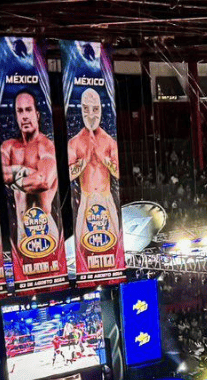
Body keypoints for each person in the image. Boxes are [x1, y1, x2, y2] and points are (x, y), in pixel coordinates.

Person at [1, 90, 61, 258]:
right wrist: (25, 171)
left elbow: (42, 181)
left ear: (37, 114)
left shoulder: (46, 146)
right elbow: (3, 175)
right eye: (20, 111)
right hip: (20, 231)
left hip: (45, 230)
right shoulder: (9, 147)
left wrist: (14, 174)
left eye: (28, 110)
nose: (25, 116)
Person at [67, 88, 120, 259]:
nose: (91, 114)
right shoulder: (74, 142)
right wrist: (84, 161)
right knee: (81, 249)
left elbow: (118, 174)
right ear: (82, 110)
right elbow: (70, 175)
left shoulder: (109, 141)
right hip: (87, 198)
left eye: (95, 109)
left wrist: (104, 159)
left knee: (116, 245)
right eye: (86, 109)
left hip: (106, 197)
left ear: (101, 110)